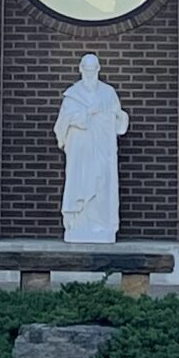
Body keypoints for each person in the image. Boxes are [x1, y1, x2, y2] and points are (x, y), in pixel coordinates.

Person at [53, 52, 129, 244]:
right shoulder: (72, 94)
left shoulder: (108, 93)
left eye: (92, 69)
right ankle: (79, 223)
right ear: (80, 69)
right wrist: (85, 115)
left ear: (98, 70)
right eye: (86, 69)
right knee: (79, 182)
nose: (89, 73)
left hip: (102, 147)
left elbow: (119, 121)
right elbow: (62, 124)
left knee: (101, 182)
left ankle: (101, 224)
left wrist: (115, 116)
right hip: (79, 149)